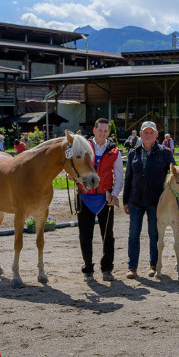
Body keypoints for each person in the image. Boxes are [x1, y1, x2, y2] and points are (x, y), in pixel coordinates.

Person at [122, 121, 173, 279]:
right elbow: (128, 179)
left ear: (157, 134)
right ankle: (132, 267)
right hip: (135, 200)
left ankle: (154, 265)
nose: (149, 135)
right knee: (133, 234)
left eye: (152, 132)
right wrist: (125, 201)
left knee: (154, 233)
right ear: (141, 134)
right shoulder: (133, 153)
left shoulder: (165, 153)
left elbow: (173, 176)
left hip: (155, 201)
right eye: (146, 132)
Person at [77, 118, 123, 281]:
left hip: (105, 198)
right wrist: (72, 176)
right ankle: (88, 269)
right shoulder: (83, 146)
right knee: (85, 235)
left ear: (108, 132)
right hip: (84, 196)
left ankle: (107, 269)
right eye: (100, 130)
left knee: (107, 235)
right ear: (94, 130)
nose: (103, 133)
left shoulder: (115, 151)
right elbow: (75, 166)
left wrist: (115, 194)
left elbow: (119, 175)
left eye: (106, 130)